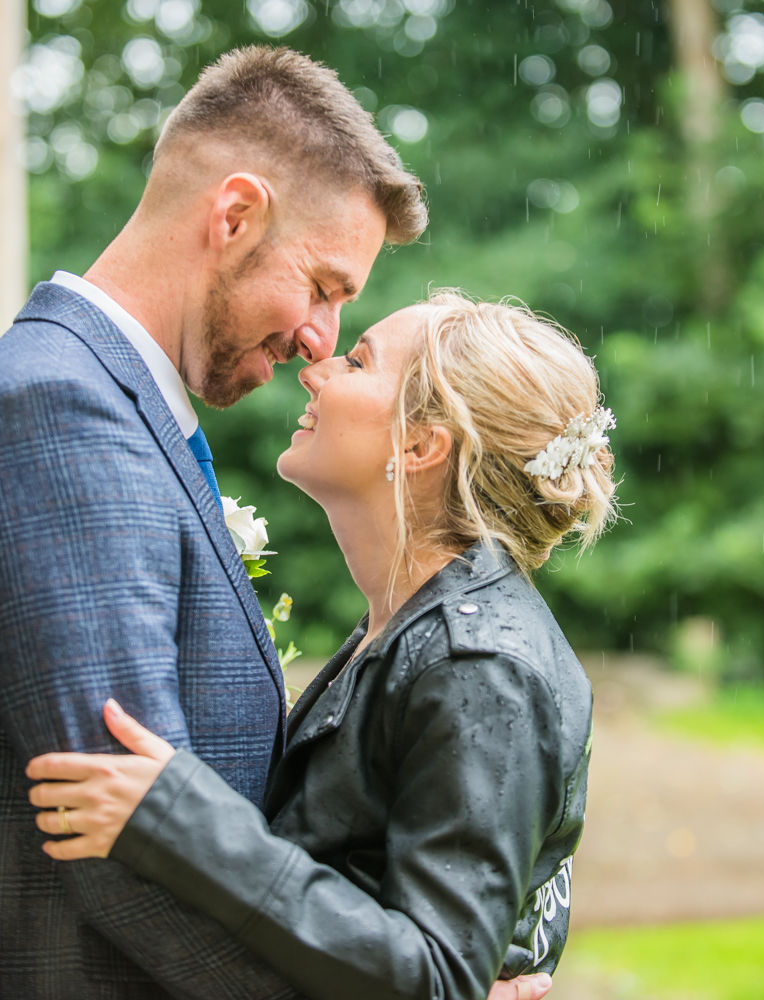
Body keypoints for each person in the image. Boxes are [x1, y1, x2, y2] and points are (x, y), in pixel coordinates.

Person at [27, 291, 618, 1000]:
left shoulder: (479, 665)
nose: (315, 371)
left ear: (422, 444)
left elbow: (437, 977)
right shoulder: (406, 626)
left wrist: (188, 824)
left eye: (359, 361)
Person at [0, 44, 427, 999]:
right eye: (322, 286)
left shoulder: (119, 405)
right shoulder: (60, 406)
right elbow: (123, 838)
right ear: (233, 216)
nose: (321, 339)